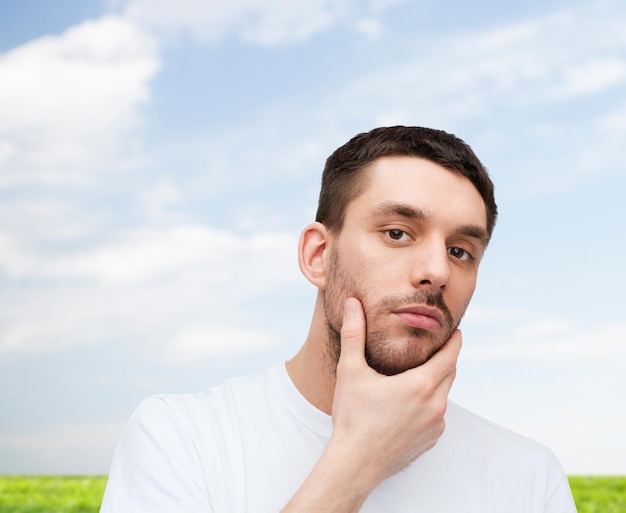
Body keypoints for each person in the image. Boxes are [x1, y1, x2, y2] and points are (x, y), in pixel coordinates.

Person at [100, 126, 577, 512]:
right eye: (397, 233)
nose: (437, 271)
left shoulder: (529, 477)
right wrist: (357, 460)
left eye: (460, 251)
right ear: (319, 255)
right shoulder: (183, 438)